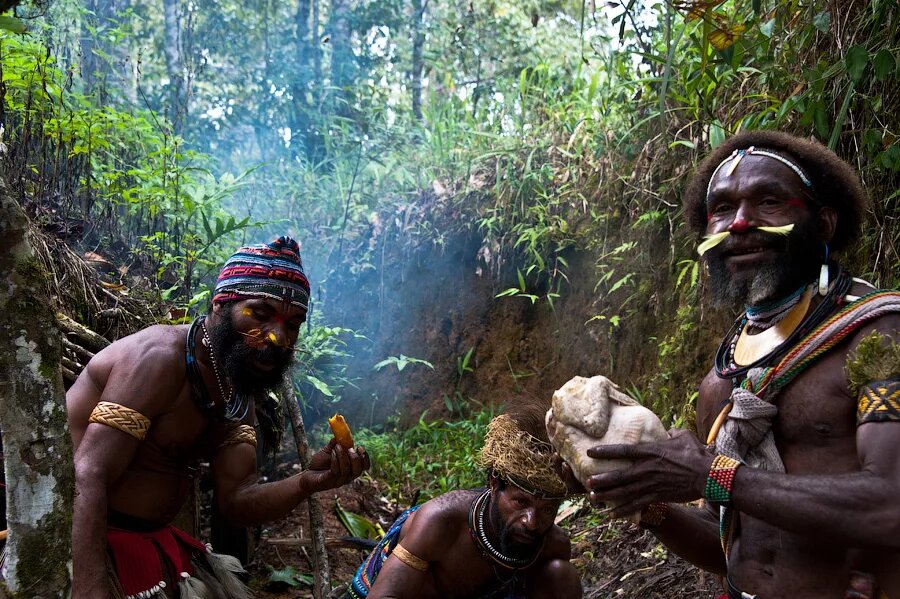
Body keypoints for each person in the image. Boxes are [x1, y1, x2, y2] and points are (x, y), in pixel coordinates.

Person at [567, 131, 900, 598]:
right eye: (722, 209)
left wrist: (712, 473)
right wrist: (646, 500)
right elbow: (730, 540)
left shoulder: (878, 337)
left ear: (823, 223)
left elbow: (891, 506)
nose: (740, 223)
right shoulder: (723, 379)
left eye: (768, 201)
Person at [67, 236, 371, 599]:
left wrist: (308, 482)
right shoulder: (158, 358)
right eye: (260, 315)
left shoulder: (236, 387)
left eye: (292, 325)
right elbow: (87, 473)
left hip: (154, 545)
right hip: (79, 537)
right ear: (219, 305)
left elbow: (237, 500)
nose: (277, 336)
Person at [345, 409, 583, 599]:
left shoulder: (552, 546)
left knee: (561, 576)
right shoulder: (440, 522)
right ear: (494, 484)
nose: (532, 523)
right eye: (521, 501)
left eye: (547, 509)